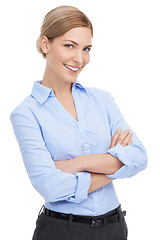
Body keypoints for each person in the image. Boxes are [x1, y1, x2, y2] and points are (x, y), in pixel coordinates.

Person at [10, 5, 147, 240]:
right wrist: (115, 165)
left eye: (86, 49)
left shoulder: (102, 100)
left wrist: (78, 163)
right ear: (46, 44)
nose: (80, 58)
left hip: (114, 228)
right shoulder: (26, 113)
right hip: (62, 230)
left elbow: (140, 157)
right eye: (69, 46)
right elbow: (50, 186)